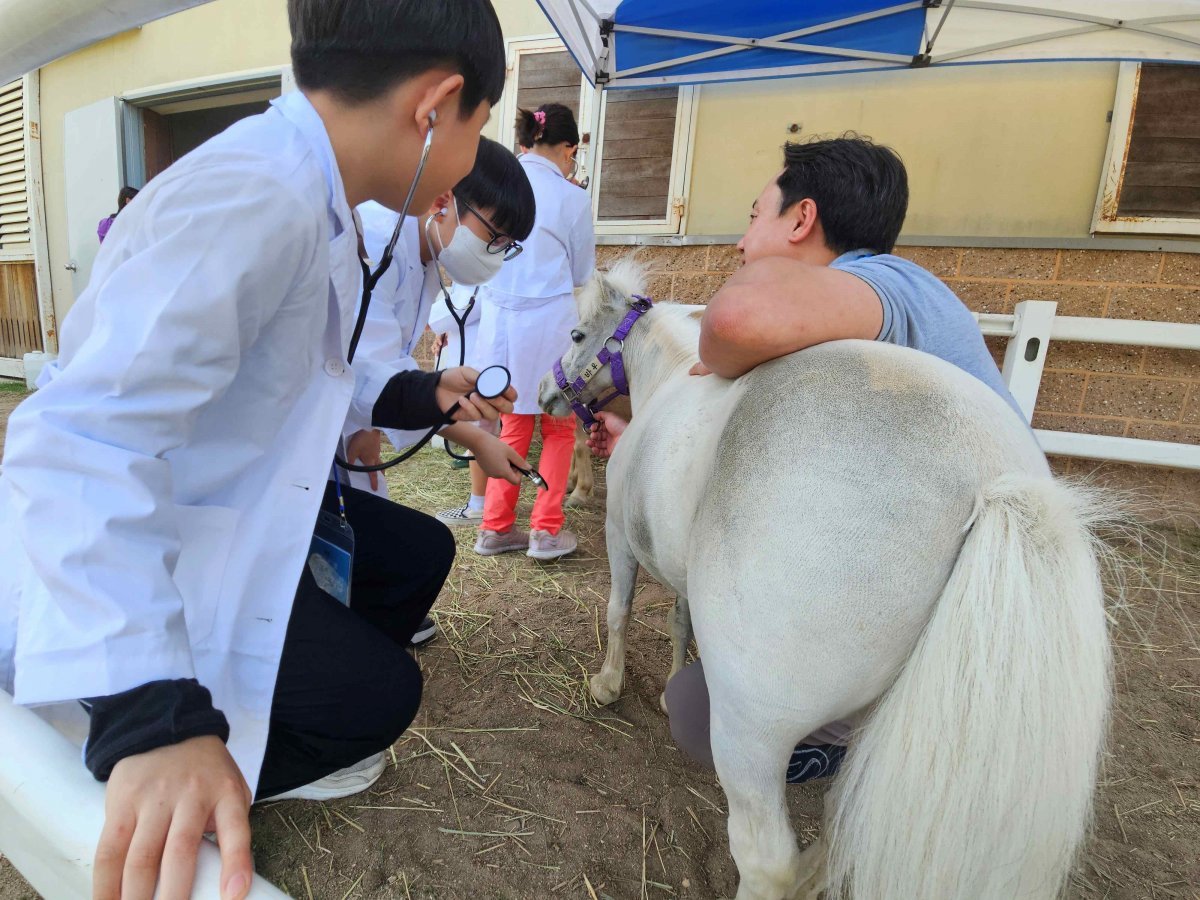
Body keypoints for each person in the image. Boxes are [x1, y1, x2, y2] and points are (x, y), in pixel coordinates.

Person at [0, 3, 526, 899]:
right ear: (438, 104)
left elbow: (318, 370)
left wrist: (424, 394)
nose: (472, 158)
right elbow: (78, 436)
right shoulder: (259, 193)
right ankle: (120, 764)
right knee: (379, 698)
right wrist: (149, 715)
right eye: (479, 126)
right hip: (126, 558)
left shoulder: (313, 195)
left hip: (231, 514)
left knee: (409, 561)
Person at [585, 134, 1021, 785]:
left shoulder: (881, 281)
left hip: (965, 604)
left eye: (755, 215)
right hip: (958, 577)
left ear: (802, 218)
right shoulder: (870, 313)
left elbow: (733, 321)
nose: (740, 240)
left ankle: (846, 744)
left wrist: (722, 352)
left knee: (697, 709)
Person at [342, 136, 535, 502]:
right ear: (443, 201)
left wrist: (365, 423)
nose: (494, 256)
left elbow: (380, 373)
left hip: (346, 423)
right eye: (494, 237)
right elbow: (367, 371)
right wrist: (476, 438)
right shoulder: (378, 243)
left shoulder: (428, 251)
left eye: (505, 247)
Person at [473, 103, 596, 560]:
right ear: (568, 147)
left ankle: (495, 527)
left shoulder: (501, 179)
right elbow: (583, 270)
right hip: (549, 322)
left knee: (512, 424)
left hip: (501, 319)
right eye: (573, 154)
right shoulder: (571, 195)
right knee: (559, 427)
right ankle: (545, 530)